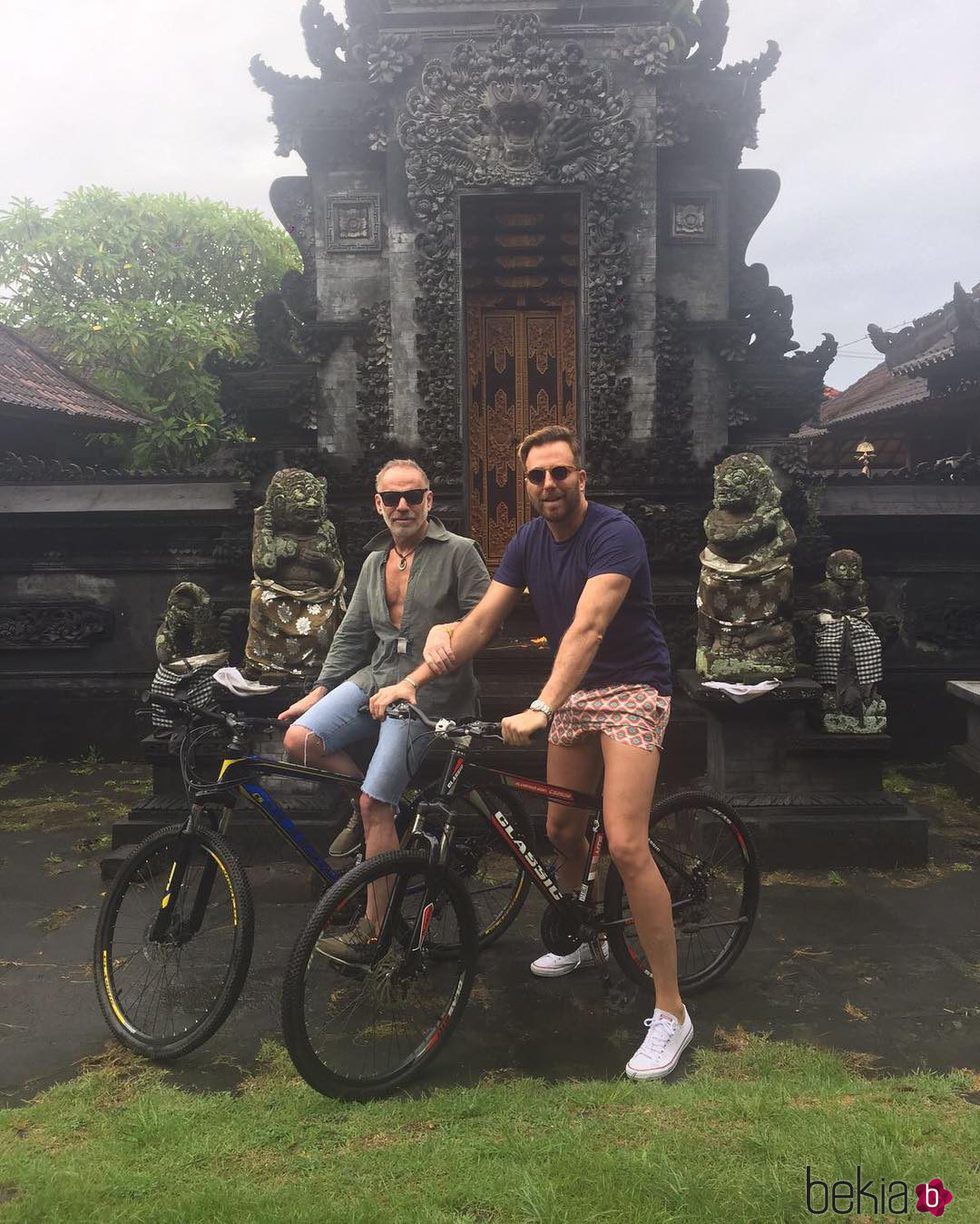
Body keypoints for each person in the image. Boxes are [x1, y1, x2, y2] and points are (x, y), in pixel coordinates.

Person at [370, 426, 690, 1081]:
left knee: (627, 843)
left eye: (560, 473)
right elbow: (483, 622)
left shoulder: (614, 534)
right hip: (573, 694)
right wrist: (412, 678)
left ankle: (671, 1011)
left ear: (582, 478)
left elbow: (589, 626)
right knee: (561, 828)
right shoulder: (525, 543)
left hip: (630, 686)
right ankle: (574, 935)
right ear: (527, 484)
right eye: (537, 476)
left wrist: (542, 706)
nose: (549, 485)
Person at [279, 458, 490, 957]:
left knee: (378, 806)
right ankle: (371, 806)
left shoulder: (459, 553)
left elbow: (486, 620)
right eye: (392, 498)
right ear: (378, 504)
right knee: (299, 741)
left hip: (429, 696)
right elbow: (353, 634)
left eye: (412, 496)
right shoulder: (374, 562)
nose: (402, 506)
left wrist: (451, 630)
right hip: (373, 678)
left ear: (429, 501)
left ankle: (373, 929)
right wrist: (317, 692)